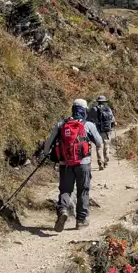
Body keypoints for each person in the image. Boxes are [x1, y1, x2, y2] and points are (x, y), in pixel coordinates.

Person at [42, 99, 103, 231]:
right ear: (85, 110)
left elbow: (48, 144)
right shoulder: (88, 125)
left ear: (73, 109)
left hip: (65, 164)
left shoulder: (62, 124)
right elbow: (99, 142)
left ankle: (63, 210)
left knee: (65, 190)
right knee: (83, 190)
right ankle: (81, 220)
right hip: (84, 164)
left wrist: (47, 153)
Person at [88, 95, 116, 170]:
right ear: (104, 102)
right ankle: (106, 161)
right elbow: (113, 120)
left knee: (99, 146)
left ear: (98, 102)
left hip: (97, 131)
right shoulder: (108, 109)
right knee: (106, 146)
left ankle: (100, 162)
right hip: (107, 131)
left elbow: (88, 120)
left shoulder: (93, 109)